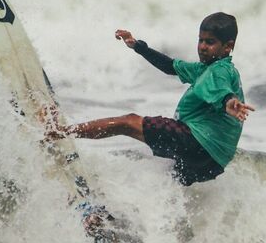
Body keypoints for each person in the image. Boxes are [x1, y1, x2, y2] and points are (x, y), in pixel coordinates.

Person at [47, 12, 254, 186]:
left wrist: (230, 102)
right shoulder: (203, 69)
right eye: (200, 40)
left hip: (198, 142)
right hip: (212, 162)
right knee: (166, 189)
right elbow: (170, 66)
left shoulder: (220, 70)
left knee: (127, 122)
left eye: (210, 42)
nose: (202, 47)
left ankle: (61, 132)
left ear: (227, 47)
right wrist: (138, 46)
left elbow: (221, 91)